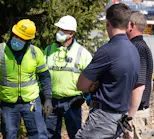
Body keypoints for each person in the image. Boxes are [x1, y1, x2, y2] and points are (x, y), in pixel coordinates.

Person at [75, 3, 140, 139]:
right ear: (128, 25)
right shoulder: (134, 50)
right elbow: (136, 86)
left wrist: (94, 84)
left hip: (102, 119)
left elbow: (81, 85)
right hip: (120, 117)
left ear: (107, 23)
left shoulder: (108, 51)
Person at [0, 19, 53, 139]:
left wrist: (48, 98)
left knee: (39, 135)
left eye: (22, 38)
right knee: (9, 134)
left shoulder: (35, 53)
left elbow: (44, 77)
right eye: (16, 36)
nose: (18, 40)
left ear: (29, 40)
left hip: (31, 102)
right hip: (8, 104)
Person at [44, 15, 92, 139]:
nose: (58, 32)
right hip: (52, 100)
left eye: (62, 30)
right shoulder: (48, 50)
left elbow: (91, 79)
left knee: (75, 134)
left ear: (71, 33)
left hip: (72, 102)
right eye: (58, 29)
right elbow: (42, 75)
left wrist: (89, 99)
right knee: (50, 135)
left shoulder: (82, 53)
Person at [125, 11, 153, 139]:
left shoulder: (137, 48)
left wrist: (129, 117)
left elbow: (138, 85)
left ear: (132, 25)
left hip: (135, 113)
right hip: (136, 111)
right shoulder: (141, 46)